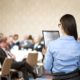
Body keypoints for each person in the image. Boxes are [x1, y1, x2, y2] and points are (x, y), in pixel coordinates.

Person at [44, 14, 80, 80]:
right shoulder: (78, 45)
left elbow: (47, 67)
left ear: (61, 26)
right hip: (75, 77)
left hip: (58, 77)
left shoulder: (52, 45)